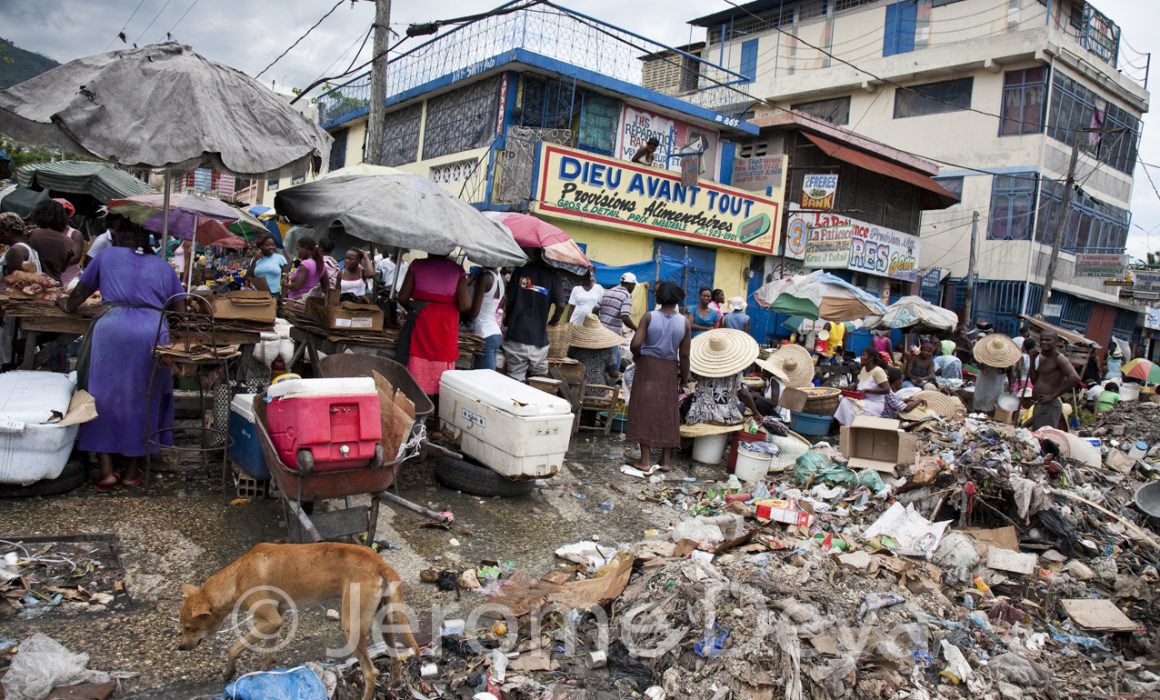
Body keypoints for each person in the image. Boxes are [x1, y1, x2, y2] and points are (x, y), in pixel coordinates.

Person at [59, 215, 183, 491]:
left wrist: (64, 304)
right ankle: (131, 471)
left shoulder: (106, 256)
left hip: (111, 330)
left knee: (101, 397)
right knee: (145, 397)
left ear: (117, 238)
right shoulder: (164, 266)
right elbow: (181, 312)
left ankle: (105, 472)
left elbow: (77, 296)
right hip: (152, 333)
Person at [626, 281, 690, 471]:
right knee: (667, 411)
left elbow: (635, 344)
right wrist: (684, 379)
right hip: (670, 368)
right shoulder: (684, 322)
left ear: (658, 297)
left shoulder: (649, 317)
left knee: (644, 408)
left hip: (648, 366)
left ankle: (645, 461)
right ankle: (665, 461)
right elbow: (685, 355)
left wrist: (638, 356)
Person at [398, 254, 470, 396]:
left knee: (416, 363)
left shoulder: (417, 265)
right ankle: (436, 409)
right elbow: (465, 305)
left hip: (421, 321)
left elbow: (402, 297)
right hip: (445, 326)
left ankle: (416, 404)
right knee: (441, 377)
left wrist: (414, 308)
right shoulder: (457, 270)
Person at [502, 248, 566, 382]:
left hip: (517, 335)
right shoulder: (554, 276)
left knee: (515, 379)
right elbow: (561, 305)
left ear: (533, 254)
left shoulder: (520, 271)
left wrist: (507, 320)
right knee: (540, 383)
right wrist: (554, 321)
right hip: (539, 341)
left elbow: (510, 300)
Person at [685, 328, 761, 429]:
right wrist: (756, 413)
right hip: (726, 416)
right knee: (742, 405)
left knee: (689, 400)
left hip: (699, 414)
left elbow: (689, 378)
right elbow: (743, 393)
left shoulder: (701, 368)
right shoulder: (735, 369)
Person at [1029, 328, 1080, 430]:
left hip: (1050, 405)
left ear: (1056, 342)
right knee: (1038, 437)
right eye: (1042, 339)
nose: (1044, 342)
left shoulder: (1059, 359)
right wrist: (1032, 361)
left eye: (1048, 340)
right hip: (1040, 403)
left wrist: (1052, 396)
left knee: (1045, 437)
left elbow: (1074, 378)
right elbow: (1035, 381)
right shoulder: (1043, 358)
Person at [567, 314, 623, 395]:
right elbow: (613, 374)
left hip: (576, 390)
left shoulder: (574, 347)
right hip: (599, 392)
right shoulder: (607, 349)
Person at [834, 349, 891, 427]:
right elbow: (859, 383)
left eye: (864, 355)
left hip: (874, 404)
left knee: (845, 402)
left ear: (871, 358)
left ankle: (847, 427)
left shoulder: (878, 371)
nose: (861, 357)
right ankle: (845, 427)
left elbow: (887, 389)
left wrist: (868, 390)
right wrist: (854, 384)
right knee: (840, 398)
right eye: (861, 355)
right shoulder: (863, 369)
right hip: (863, 401)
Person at [27, 200, 78, 283]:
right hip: (55, 284)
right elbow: (63, 268)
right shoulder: (68, 241)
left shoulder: (33, 233)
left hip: (33, 283)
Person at [596, 272, 637, 370]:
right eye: (634, 285)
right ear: (630, 284)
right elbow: (625, 317)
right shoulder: (626, 295)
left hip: (600, 333)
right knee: (614, 366)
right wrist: (637, 329)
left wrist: (599, 323)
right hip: (612, 337)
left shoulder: (609, 292)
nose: (634, 288)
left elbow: (595, 309)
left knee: (600, 361)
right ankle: (610, 384)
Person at [972, 333, 1021, 413]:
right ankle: (978, 413)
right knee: (980, 398)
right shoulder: (984, 353)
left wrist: (1011, 385)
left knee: (993, 401)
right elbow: (975, 357)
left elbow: (1010, 370)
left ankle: (988, 414)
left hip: (996, 382)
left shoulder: (1007, 358)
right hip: (984, 380)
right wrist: (981, 367)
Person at [469, 266, 505, 370]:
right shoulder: (501, 278)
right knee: (487, 375)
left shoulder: (485, 277)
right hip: (495, 333)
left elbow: (474, 312)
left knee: (485, 378)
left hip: (484, 335)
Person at [52, 198, 84, 287]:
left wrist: (54, 263)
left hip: (70, 278)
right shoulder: (44, 231)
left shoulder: (75, 234)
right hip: (50, 277)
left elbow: (76, 257)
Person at [283, 236, 327, 301]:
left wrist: (285, 284)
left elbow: (296, 287)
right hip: (311, 302)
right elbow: (326, 288)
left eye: (298, 249)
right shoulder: (321, 265)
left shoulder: (305, 264)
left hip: (297, 302)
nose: (298, 252)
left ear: (306, 249)